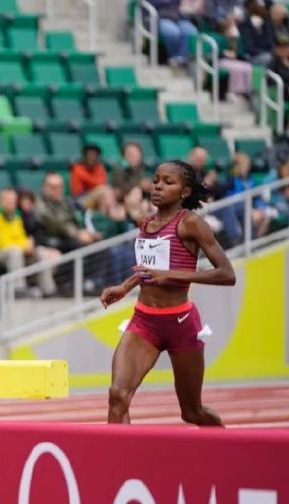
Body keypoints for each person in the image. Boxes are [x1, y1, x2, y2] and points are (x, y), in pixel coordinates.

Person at [100, 160, 235, 425]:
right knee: (118, 396)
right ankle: (119, 465)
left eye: (168, 182)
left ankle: (224, 449)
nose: (158, 186)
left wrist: (171, 275)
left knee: (192, 412)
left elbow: (227, 274)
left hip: (181, 325)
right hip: (144, 322)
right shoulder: (145, 223)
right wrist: (125, 287)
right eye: (156, 180)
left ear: (184, 192)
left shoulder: (191, 223)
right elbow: (150, 269)